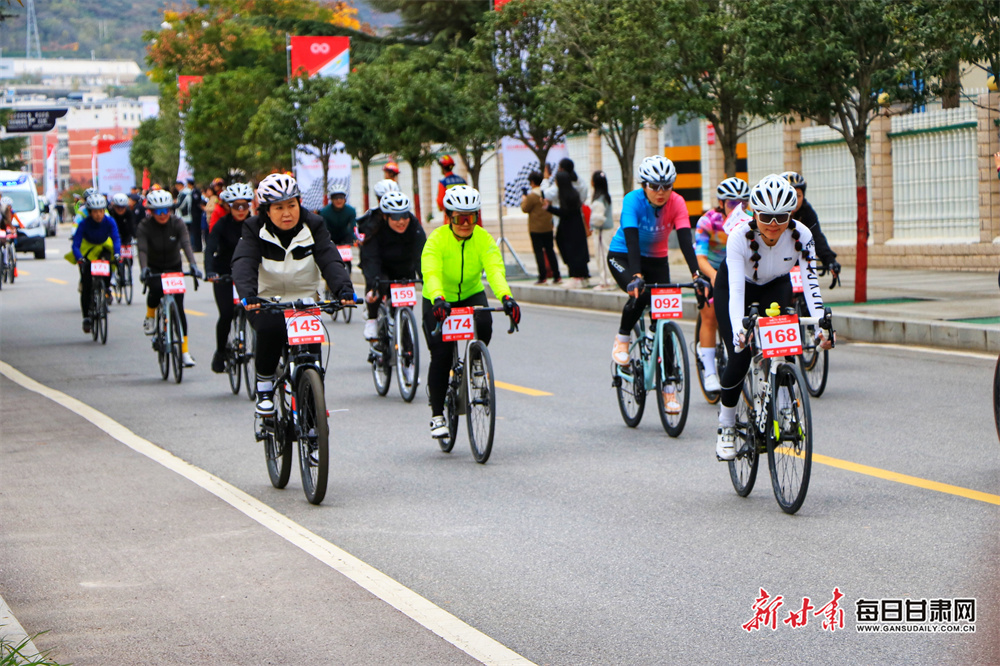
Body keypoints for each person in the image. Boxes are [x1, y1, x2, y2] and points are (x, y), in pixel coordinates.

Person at [713, 174, 833, 461]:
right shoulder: (739, 236)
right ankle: (726, 426)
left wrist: (820, 324)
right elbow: (737, 293)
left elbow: (811, 284)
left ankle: (785, 406)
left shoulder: (802, 235)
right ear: (754, 212)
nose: (774, 225)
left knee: (783, 347)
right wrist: (739, 331)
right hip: (734, 287)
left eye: (781, 217)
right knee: (740, 355)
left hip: (776, 285)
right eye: (766, 216)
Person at [231, 173, 355, 416]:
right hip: (267, 300)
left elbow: (329, 258)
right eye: (278, 207)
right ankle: (265, 385)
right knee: (271, 329)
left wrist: (344, 289)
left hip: (305, 299)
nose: (286, 213)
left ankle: (312, 407)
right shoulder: (253, 228)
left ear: (299, 203)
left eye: (291, 205)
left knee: (312, 357)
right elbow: (244, 262)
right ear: (266, 210)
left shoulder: (315, 225)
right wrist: (249, 295)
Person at [606, 155, 704, 413]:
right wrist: (636, 275)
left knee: (665, 318)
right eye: (654, 186)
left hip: (658, 261)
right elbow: (632, 240)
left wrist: (696, 275)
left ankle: (669, 389)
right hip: (624, 256)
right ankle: (623, 338)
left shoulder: (678, 203)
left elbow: (685, 240)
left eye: (667, 186)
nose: (661, 192)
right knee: (639, 295)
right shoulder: (632, 201)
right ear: (644, 185)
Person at [421, 185, 520, 438]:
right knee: (442, 355)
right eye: (459, 218)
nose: (466, 224)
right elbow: (430, 272)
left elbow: (495, 270)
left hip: (471, 293)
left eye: (471, 217)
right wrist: (438, 298)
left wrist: (507, 297)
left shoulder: (484, 239)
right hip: (439, 298)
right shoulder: (436, 239)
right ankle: (436, 415)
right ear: (448, 217)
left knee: (485, 324)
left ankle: (476, 361)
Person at [694, 177, 750, 392]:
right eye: (732, 203)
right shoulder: (708, 221)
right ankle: (709, 372)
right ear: (721, 203)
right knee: (710, 315)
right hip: (711, 268)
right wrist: (714, 276)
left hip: (738, 269)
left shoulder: (751, 220)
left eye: (743, 203)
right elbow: (700, 257)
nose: (738, 208)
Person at [136, 189, 202, 367]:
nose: (163, 214)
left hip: (174, 266)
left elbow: (186, 244)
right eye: (158, 211)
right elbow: (142, 249)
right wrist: (144, 269)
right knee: (156, 290)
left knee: (179, 309)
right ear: (150, 211)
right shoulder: (144, 226)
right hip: (155, 267)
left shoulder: (178, 223)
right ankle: (150, 316)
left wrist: (193, 265)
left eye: (166, 210)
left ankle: (185, 351)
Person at [361, 191, 426, 340]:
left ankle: (406, 342)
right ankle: (372, 319)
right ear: (385, 216)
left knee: (404, 309)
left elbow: (421, 255)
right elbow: (371, 259)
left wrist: (427, 278)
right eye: (395, 217)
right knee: (377, 288)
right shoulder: (375, 228)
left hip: (404, 268)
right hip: (381, 268)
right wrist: (373, 286)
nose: (401, 221)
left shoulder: (414, 226)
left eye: (404, 216)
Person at [205, 183, 254, 373]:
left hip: (249, 274)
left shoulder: (257, 224)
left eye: (244, 206)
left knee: (260, 313)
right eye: (236, 206)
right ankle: (220, 352)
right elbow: (210, 249)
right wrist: (210, 271)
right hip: (224, 273)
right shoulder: (221, 225)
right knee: (226, 313)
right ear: (229, 206)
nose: (241, 211)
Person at [69, 193, 121, 334]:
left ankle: (105, 289)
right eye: (95, 212)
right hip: (88, 249)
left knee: (109, 267)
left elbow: (116, 238)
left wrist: (117, 253)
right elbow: (76, 244)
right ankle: (86, 316)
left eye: (101, 211)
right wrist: (80, 258)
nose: (98, 215)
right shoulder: (84, 224)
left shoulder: (110, 221)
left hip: (104, 248)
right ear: (90, 212)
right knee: (86, 285)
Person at [780, 172, 840, 280]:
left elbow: (816, 237)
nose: (794, 201)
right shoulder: (772, 215)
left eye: (798, 196)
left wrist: (830, 260)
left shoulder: (807, 212)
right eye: (790, 196)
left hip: (799, 263)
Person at [545, 170, 591, 288]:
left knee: (572, 253)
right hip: (576, 228)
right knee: (578, 252)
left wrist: (549, 208)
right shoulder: (573, 193)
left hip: (570, 230)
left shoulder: (566, 195)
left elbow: (565, 212)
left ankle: (576, 277)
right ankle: (583, 277)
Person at [521, 170, 559, 285]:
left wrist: (524, 199)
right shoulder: (545, 193)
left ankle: (542, 276)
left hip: (535, 229)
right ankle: (557, 275)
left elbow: (524, 208)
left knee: (538, 252)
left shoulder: (531, 196)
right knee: (550, 250)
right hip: (547, 226)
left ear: (532, 182)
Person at [318, 184, 357, 271]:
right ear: (331, 199)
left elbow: (353, 227)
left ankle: (348, 273)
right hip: (330, 236)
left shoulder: (351, 211)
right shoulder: (325, 212)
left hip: (344, 236)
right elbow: (324, 229)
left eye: (341, 197)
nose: (339, 200)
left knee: (347, 260)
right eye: (335, 198)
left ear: (345, 199)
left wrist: (354, 239)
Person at [589, 171, 614, 288]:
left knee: (602, 255)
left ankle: (606, 281)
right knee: (606, 254)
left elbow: (598, 218)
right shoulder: (606, 197)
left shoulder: (599, 199)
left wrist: (591, 223)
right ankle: (608, 279)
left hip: (601, 231)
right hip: (606, 230)